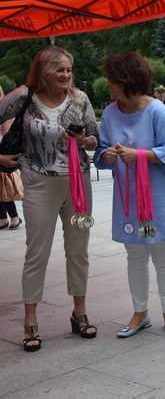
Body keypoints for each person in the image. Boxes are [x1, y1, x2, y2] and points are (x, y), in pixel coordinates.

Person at [0, 46, 99, 352]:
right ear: (43, 71)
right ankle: (30, 320)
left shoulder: (80, 98)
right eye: (59, 69)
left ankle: (79, 312)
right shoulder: (24, 96)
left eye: (69, 69)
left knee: (78, 250)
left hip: (78, 185)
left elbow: (96, 136)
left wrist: (84, 140)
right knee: (37, 252)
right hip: (39, 184)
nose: (66, 75)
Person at [95, 52, 165, 338]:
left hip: (157, 200)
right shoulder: (110, 113)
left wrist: (141, 155)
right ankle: (140, 312)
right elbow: (100, 152)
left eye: (112, 80)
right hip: (129, 200)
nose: (107, 85)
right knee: (134, 255)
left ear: (127, 81)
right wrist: (105, 155)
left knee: (163, 256)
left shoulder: (157, 110)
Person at [0, 84, 23, 230]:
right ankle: (2, 217)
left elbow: (8, 134)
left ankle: (14, 216)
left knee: (4, 188)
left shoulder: (5, 109)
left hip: (2, 150)